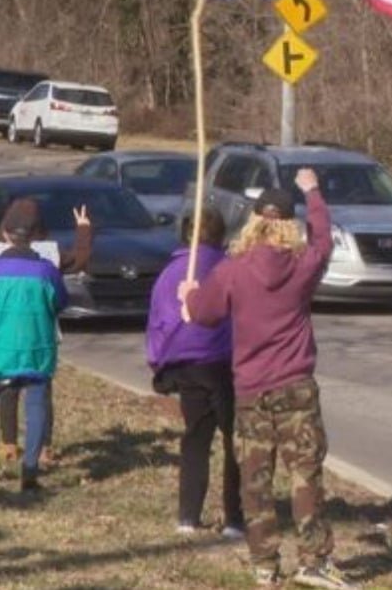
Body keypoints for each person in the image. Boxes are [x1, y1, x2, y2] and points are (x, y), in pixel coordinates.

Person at [179, 169, 353, 590]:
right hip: (295, 388)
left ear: (254, 221)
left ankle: (264, 565)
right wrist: (313, 192)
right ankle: (313, 560)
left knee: (255, 481)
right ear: (288, 226)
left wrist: (189, 295)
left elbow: (202, 315)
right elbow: (325, 240)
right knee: (304, 475)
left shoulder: (232, 272)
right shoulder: (303, 267)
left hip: (251, 393)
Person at [0, 199, 91, 464]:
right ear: (38, 229)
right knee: (41, 396)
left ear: (6, 228)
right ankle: (42, 450)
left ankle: (8, 444)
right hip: (39, 338)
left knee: (4, 392)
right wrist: (84, 229)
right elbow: (78, 261)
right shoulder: (49, 253)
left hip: (0, 341)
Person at [147, 208, 243, 538]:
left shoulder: (170, 272)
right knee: (236, 442)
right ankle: (234, 519)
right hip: (223, 364)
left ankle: (188, 517)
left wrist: (159, 361)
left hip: (190, 366)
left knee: (196, 440)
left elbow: (157, 321)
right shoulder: (227, 269)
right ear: (221, 235)